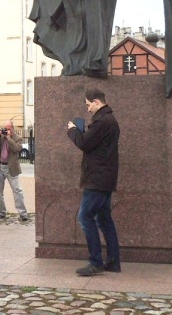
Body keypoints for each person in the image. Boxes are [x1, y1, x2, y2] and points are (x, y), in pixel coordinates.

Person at [66, 89, 121, 276]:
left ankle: (95, 262)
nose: (88, 109)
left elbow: (84, 144)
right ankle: (113, 262)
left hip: (97, 180)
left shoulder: (102, 122)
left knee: (85, 217)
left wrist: (73, 130)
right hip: (105, 178)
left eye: (88, 104)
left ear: (97, 102)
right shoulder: (109, 120)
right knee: (104, 219)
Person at [0, 121, 30, 221]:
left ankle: (23, 213)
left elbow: (17, 149)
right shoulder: (0, 137)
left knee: (17, 191)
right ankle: (1, 212)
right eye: (5, 128)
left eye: (8, 128)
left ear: (12, 128)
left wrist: (9, 138)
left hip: (11, 168)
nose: (6, 130)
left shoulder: (18, 138)